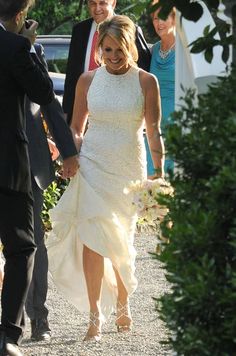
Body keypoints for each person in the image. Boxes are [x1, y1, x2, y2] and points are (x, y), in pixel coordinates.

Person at [47, 15, 164, 342]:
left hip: (128, 167)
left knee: (120, 239)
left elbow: (153, 130)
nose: (113, 55)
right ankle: (95, 315)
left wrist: (159, 173)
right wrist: (72, 149)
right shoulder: (87, 80)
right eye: (108, 49)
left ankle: (124, 303)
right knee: (91, 240)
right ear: (100, 48)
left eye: (119, 49)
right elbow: (75, 128)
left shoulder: (146, 82)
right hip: (93, 164)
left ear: (131, 48)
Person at [0, 0, 54, 354]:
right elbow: (44, 93)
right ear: (21, 17)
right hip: (8, 166)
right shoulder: (18, 46)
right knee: (21, 247)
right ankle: (7, 336)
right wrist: (30, 48)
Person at [25, 42, 78, 343]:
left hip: (29, 157)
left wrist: (66, 149)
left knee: (33, 242)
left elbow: (48, 102)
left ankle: (38, 318)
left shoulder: (32, 49)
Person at [63, 0, 151, 124]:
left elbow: (144, 69)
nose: (97, 8)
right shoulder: (80, 30)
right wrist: (66, 114)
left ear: (113, 3)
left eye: (102, 3)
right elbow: (72, 74)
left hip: (119, 113)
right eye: (93, 3)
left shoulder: (130, 30)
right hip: (81, 112)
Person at [145, 0, 175, 176]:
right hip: (153, 122)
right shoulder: (153, 49)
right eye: (155, 18)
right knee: (151, 175)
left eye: (163, 17)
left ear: (174, 18)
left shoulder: (186, 49)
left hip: (176, 120)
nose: (159, 22)